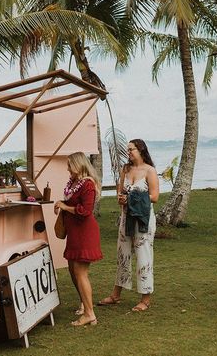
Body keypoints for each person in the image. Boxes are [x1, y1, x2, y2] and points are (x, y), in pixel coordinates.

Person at [98, 138, 159, 312]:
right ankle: (116, 294)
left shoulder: (149, 171)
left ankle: (145, 298)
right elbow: (120, 192)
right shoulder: (125, 169)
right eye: (128, 150)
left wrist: (131, 197)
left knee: (143, 257)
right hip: (126, 218)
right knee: (122, 255)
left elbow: (154, 197)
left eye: (131, 149)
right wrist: (121, 198)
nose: (129, 152)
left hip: (142, 220)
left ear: (140, 150)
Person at [54, 152, 103, 327]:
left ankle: (90, 314)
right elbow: (72, 201)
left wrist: (65, 206)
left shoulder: (87, 184)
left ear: (78, 165)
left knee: (81, 272)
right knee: (72, 269)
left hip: (84, 232)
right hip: (74, 232)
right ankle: (84, 302)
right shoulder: (73, 183)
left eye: (69, 165)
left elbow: (85, 211)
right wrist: (62, 204)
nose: (67, 168)